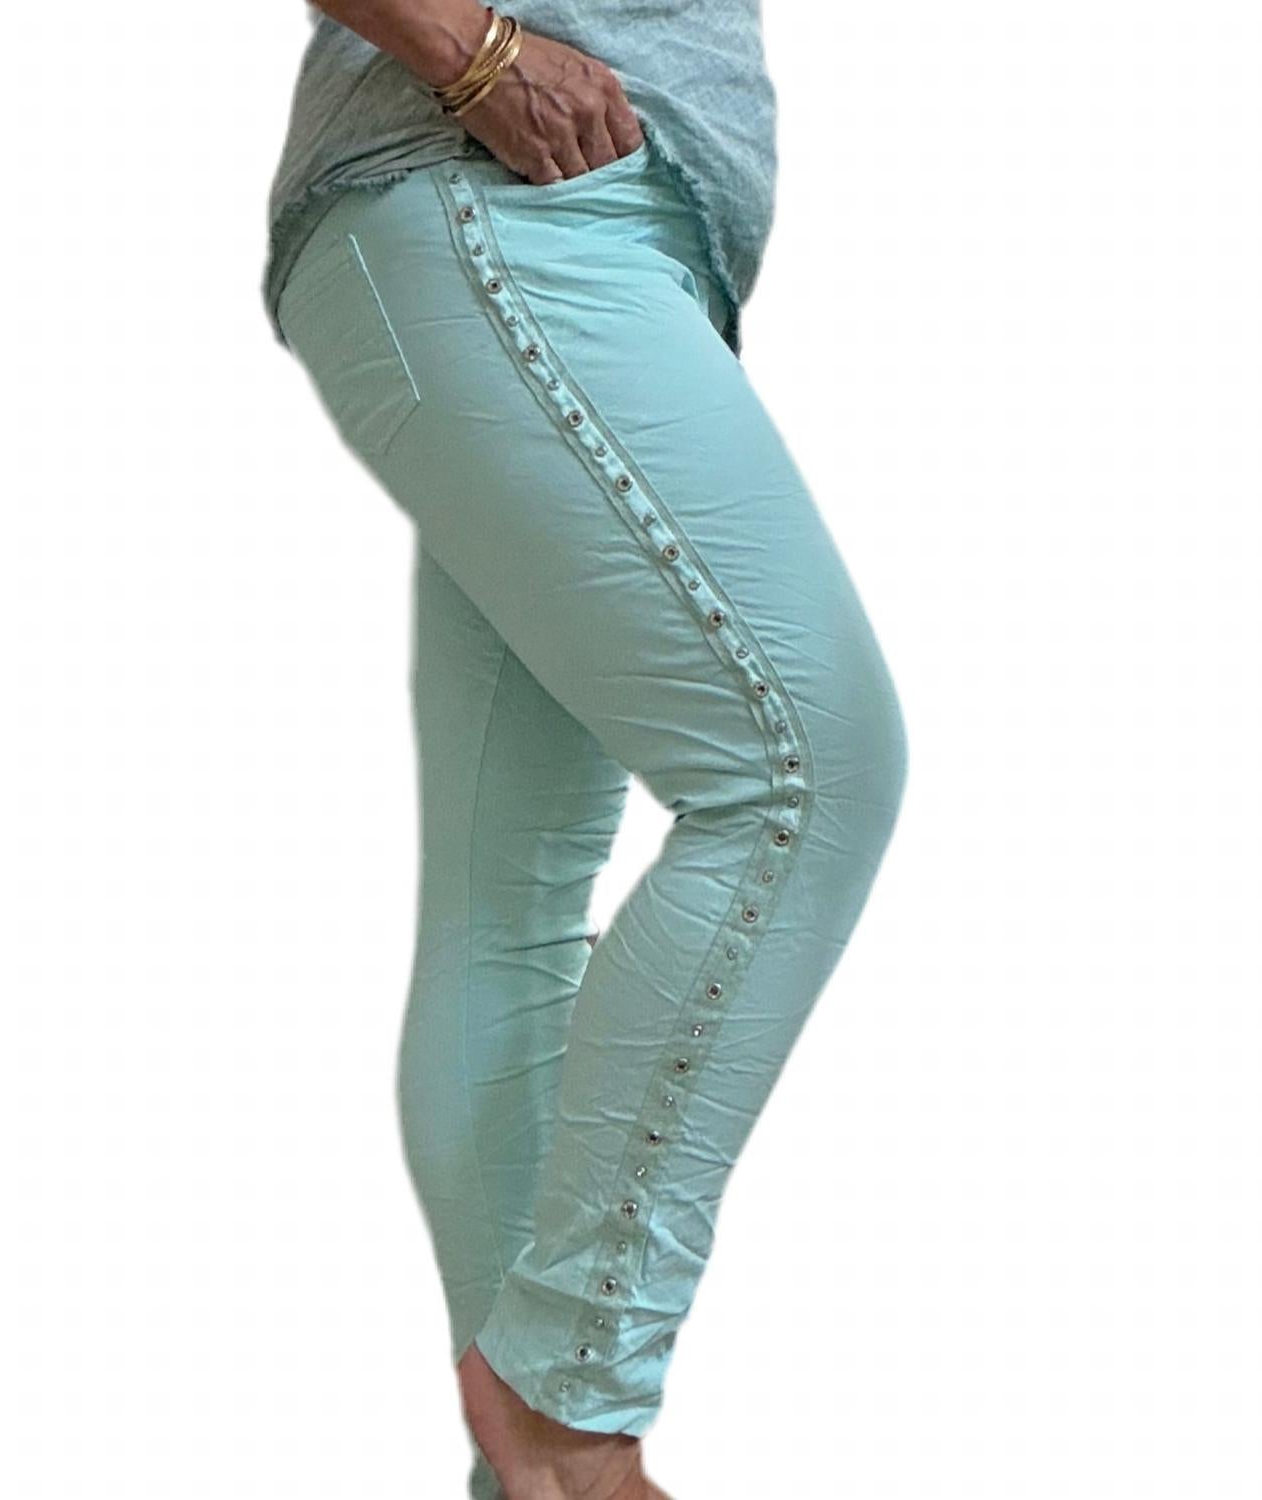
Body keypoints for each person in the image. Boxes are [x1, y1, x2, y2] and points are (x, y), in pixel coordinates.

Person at [263, 5, 910, 1497]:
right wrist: (473, 51)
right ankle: (568, 1398)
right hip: (499, 193)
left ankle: (535, 1479)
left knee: (507, 899)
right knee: (807, 773)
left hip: (544, 228)